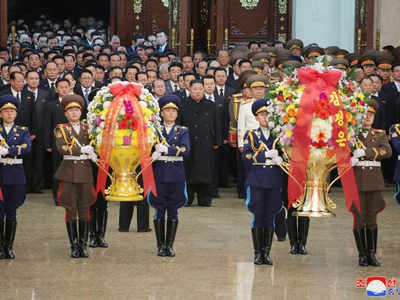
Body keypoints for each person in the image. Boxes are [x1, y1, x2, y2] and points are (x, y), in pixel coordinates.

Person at [54, 94, 97, 258]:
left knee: (85, 208)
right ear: (66, 113)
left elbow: (96, 145)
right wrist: (81, 150)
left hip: (85, 172)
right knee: (70, 209)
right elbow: (62, 148)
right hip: (69, 172)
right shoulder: (61, 129)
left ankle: (83, 245)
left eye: (77, 110)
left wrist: (93, 151)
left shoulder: (89, 128)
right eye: (70, 110)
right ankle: (73, 245)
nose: (73, 113)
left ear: (81, 111)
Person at [242, 98, 283, 265]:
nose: (265, 117)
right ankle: (257, 253)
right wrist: (264, 155)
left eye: (268, 114)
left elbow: (287, 155)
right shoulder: (251, 135)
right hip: (257, 180)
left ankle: (267, 252)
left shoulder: (279, 135)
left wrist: (280, 157)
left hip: (274, 180)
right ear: (256, 117)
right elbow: (246, 156)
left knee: (271, 215)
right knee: (259, 215)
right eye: (262, 114)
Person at [350, 100, 392, 267]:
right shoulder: (351, 135)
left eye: (371, 114)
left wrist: (366, 152)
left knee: (372, 217)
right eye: (365, 113)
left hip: (374, 181)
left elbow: (387, 151)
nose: (368, 117)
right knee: (359, 217)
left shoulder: (379, 134)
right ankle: (362, 255)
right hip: (357, 181)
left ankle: (372, 254)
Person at [148, 95, 190, 257]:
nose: (171, 114)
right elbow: (147, 149)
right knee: (159, 209)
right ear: (161, 113)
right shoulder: (154, 131)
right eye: (167, 110)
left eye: (173, 111)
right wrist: (154, 152)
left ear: (177, 113)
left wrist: (168, 150)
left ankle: (169, 245)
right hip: (159, 173)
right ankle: (160, 245)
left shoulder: (183, 130)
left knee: (173, 209)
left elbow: (186, 150)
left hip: (176, 173)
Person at [0, 95, 32, 259]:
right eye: (6, 111)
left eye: (12, 111)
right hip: (1, 174)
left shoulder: (22, 130)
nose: (9, 114)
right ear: (1, 114)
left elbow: (26, 147)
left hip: (16, 174)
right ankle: (0, 247)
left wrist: (9, 150)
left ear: (16, 113)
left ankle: (9, 246)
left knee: (12, 211)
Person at [180, 79, 220, 206]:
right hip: (188, 143)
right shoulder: (183, 104)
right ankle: (188, 198)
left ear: (204, 90)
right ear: (190, 90)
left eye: (200, 89)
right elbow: (179, 124)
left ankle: (205, 198)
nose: (198, 92)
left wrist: (217, 140)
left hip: (206, 143)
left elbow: (217, 124)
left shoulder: (211, 105)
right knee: (188, 171)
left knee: (206, 171)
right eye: (195, 89)